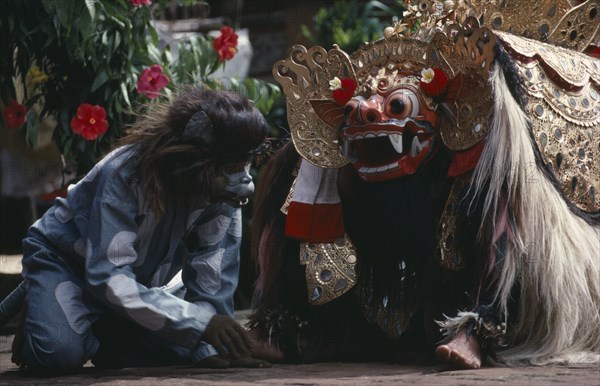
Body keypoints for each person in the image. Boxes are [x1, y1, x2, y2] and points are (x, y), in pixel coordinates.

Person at [1, 87, 270, 372]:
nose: (245, 180)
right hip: (71, 264)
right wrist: (200, 324)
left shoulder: (221, 192)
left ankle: (104, 329)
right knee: (57, 354)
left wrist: (210, 346)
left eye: (246, 165)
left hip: (133, 280)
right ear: (196, 158)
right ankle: (41, 307)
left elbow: (212, 282)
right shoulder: (125, 175)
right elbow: (109, 275)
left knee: (188, 349)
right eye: (232, 166)